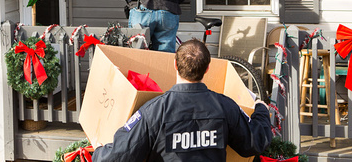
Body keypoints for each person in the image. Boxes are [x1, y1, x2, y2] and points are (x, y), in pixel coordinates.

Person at [92, 39, 272, 161]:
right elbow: (255, 142)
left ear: (175, 65)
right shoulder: (225, 106)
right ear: (208, 68)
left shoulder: (154, 111)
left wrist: (99, 151)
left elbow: (120, 155)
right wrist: (261, 109)